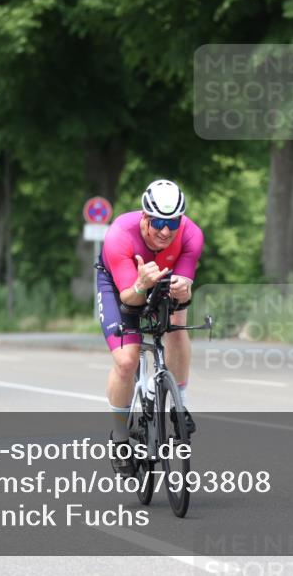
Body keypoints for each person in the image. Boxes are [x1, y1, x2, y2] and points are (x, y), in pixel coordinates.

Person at [97, 179, 204, 475]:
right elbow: (129, 298)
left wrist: (184, 290)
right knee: (127, 360)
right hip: (121, 283)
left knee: (177, 322)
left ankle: (179, 406)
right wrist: (141, 283)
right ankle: (119, 438)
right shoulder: (120, 234)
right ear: (144, 216)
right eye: (158, 221)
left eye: (172, 222)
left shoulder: (191, 235)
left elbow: (185, 286)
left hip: (160, 277)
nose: (166, 231)